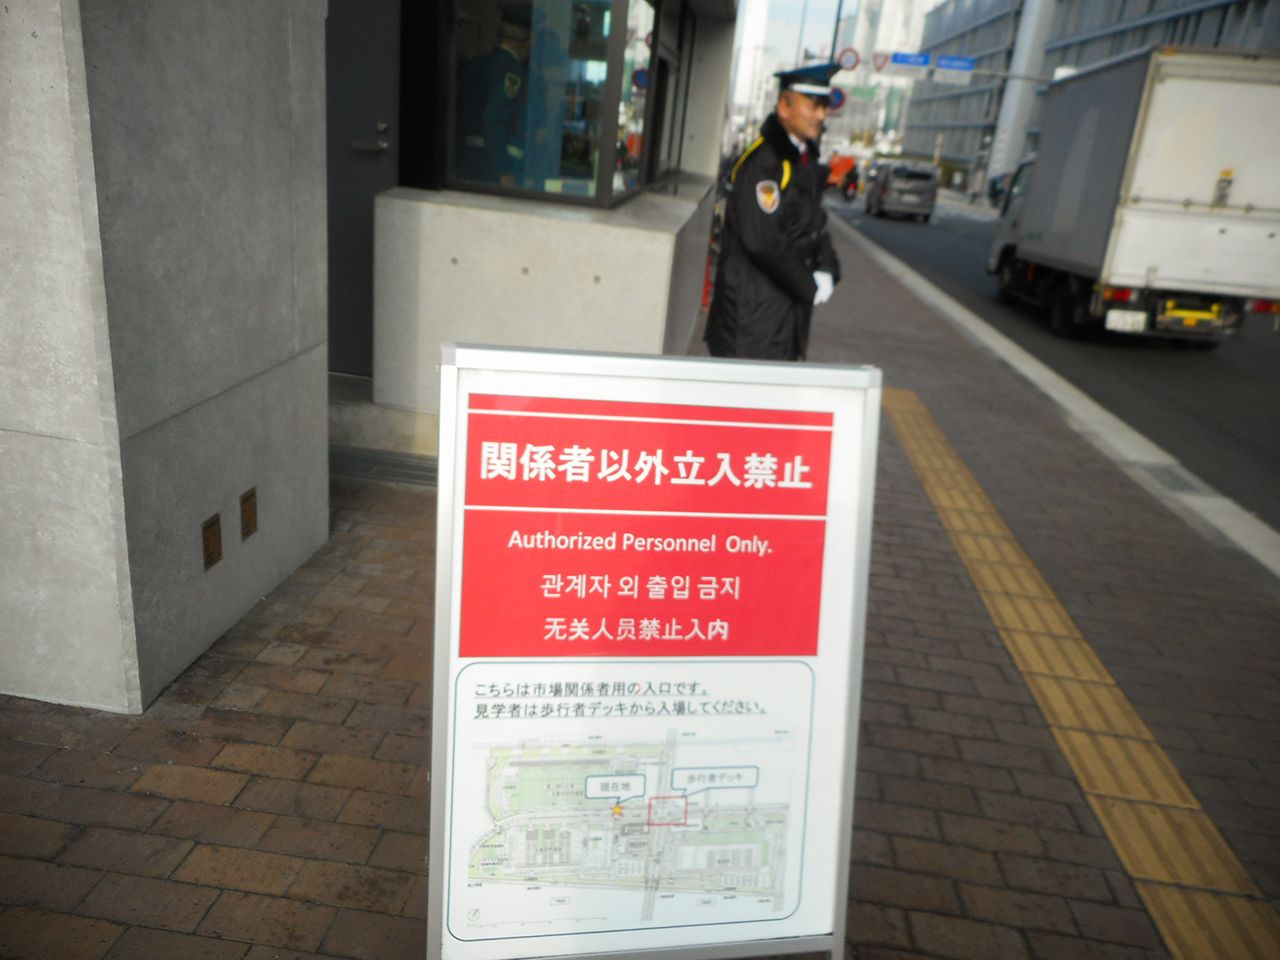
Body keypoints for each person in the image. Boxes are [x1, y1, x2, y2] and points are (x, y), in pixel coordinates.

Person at [705, 63, 842, 361]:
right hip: (751, 321)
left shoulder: (798, 160)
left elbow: (814, 223)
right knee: (745, 405)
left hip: (779, 315)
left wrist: (829, 267)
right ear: (784, 105)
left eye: (824, 107)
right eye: (813, 105)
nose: (821, 115)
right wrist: (808, 286)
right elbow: (762, 240)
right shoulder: (764, 163)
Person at [456, 3, 532, 187]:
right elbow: (493, 119)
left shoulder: (479, 63)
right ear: (527, 40)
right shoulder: (512, 72)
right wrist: (504, 171)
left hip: (470, 161)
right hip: (496, 166)